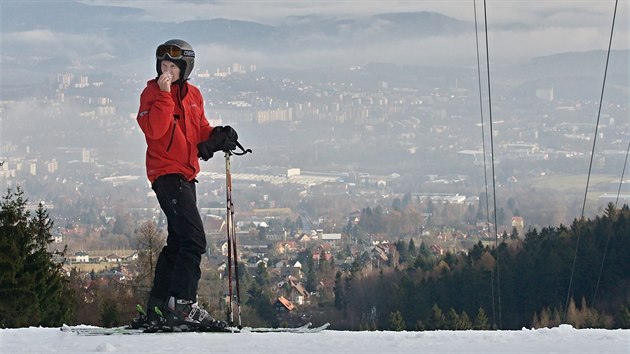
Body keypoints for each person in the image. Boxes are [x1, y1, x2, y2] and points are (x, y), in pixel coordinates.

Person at [134, 39, 237, 331]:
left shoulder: (194, 95)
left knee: (179, 241)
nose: (166, 71)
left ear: (185, 68)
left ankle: (158, 306)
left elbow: (199, 129)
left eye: (172, 67)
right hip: (165, 173)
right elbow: (155, 130)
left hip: (186, 173)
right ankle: (183, 305)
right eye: (163, 66)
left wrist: (217, 136)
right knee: (194, 240)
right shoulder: (152, 94)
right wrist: (165, 96)